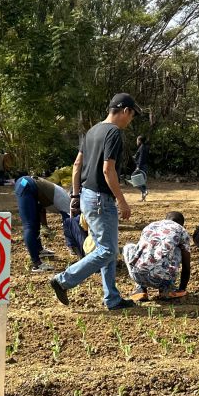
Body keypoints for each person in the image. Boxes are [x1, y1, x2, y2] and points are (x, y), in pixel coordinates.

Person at [49, 93, 142, 311]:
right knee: (108, 251)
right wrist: (122, 201)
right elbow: (108, 169)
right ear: (125, 111)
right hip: (101, 198)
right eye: (132, 116)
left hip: (88, 196)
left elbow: (76, 164)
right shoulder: (114, 133)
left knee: (105, 246)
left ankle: (112, 298)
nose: (131, 121)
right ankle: (63, 280)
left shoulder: (92, 130)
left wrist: (75, 195)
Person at [123, 211, 191, 302]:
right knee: (178, 249)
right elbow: (186, 266)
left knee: (129, 247)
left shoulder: (150, 226)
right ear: (181, 224)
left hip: (138, 275)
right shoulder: (181, 230)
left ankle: (140, 289)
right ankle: (167, 289)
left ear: (166, 219)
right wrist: (182, 289)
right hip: (162, 279)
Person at [15, 175, 68, 271]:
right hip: (26, 185)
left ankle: (39, 250)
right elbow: (70, 227)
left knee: (35, 221)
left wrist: (45, 226)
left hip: (27, 185)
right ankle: (36, 264)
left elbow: (41, 208)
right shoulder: (67, 205)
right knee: (29, 225)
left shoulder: (61, 197)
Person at [132, 135, 149, 201]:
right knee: (141, 181)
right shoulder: (145, 147)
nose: (136, 141)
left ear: (139, 140)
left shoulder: (142, 147)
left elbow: (141, 158)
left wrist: (138, 167)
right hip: (144, 165)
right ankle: (143, 197)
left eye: (137, 140)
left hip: (140, 166)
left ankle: (144, 191)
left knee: (135, 181)